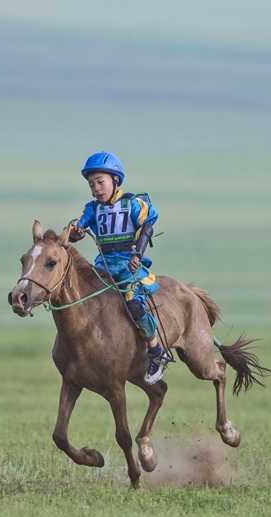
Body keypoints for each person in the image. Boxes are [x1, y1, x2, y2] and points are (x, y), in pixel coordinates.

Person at [68, 150, 171, 384]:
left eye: (100, 182)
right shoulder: (92, 209)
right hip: (102, 267)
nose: (96, 188)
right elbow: (76, 227)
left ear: (115, 180)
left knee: (134, 305)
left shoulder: (134, 203)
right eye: (91, 184)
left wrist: (137, 254)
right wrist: (76, 232)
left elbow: (147, 227)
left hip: (129, 267)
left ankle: (156, 352)